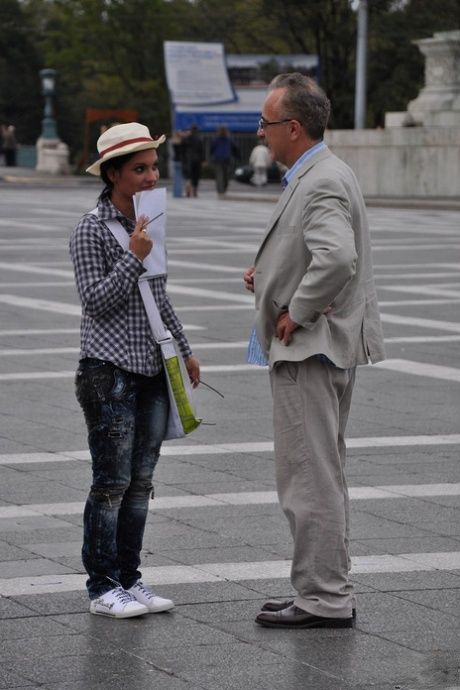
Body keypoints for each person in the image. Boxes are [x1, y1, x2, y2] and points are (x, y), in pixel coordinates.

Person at [243, 73, 385, 630]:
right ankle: (321, 589)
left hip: (311, 350)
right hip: (326, 347)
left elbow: (335, 258)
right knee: (319, 471)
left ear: (293, 128)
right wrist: (270, 277)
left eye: (266, 123)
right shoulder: (325, 170)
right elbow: (316, 254)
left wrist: (295, 311)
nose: (261, 132)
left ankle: (323, 597)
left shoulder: (319, 179)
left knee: (309, 476)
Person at [70, 122, 200, 619]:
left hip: (151, 369)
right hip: (107, 372)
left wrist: (184, 348)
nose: (151, 176)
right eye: (140, 169)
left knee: (142, 483)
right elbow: (95, 302)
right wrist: (132, 258)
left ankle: (130, 578)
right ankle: (101, 586)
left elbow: (157, 294)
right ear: (114, 174)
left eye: (153, 166)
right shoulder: (89, 228)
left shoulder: (150, 220)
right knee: (111, 483)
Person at [210, 126, 239, 196]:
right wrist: (236, 156)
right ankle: (223, 189)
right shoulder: (229, 140)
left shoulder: (216, 140)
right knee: (226, 175)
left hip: (218, 159)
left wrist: (212, 155)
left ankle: (220, 190)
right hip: (226, 159)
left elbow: (212, 149)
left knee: (219, 175)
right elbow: (235, 148)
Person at [182, 124, 204, 197]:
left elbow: (182, 146)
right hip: (197, 160)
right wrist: (203, 160)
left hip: (188, 159)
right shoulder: (199, 139)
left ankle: (188, 190)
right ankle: (195, 191)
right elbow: (202, 150)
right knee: (196, 176)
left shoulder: (187, 138)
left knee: (188, 176)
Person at [170, 130, 186, 198]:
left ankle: (175, 193)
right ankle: (179, 193)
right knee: (179, 178)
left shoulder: (174, 142)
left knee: (176, 178)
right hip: (180, 160)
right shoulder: (182, 142)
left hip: (175, 160)